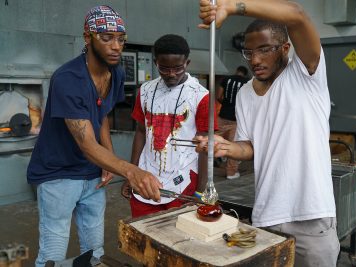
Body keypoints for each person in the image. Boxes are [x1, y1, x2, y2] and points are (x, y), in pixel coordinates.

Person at [196, 0, 340, 266]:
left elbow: (296, 15)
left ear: (285, 48)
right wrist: (226, 146)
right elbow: (250, 147)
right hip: (267, 214)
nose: (255, 60)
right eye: (248, 52)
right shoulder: (245, 93)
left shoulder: (306, 73)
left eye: (264, 50)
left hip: (311, 215)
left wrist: (231, 6)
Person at [27, 6, 161, 267]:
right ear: (87, 37)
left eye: (120, 39)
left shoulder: (116, 73)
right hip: (58, 174)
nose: (116, 46)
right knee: (53, 257)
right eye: (106, 37)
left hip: (92, 174)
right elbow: (87, 144)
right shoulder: (68, 79)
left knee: (95, 253)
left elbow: (103, 113)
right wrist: (131, 171)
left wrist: (107, 160)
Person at [120, 34, 217, 218]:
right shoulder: (145, 91)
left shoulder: (201, 96)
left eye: (178, 68)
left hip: (184, 183)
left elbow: (205, 146)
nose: (171, 74)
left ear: (187, 63)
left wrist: (200, 191)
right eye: (164, 68)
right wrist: (131, 174)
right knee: (143, 237)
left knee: (178, 238)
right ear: (156, 62)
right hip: (146, 179)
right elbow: (140, 132)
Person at [216, 66, 249, 179]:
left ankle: (201, 168)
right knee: (233, 146)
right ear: (244, 74)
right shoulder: (247, 83)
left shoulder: (226, 79)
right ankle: (231, 173)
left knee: (211, 141)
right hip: (236, 119)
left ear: (237, 71)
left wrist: (226, 104)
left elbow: (218, 96)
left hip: (222, 116)